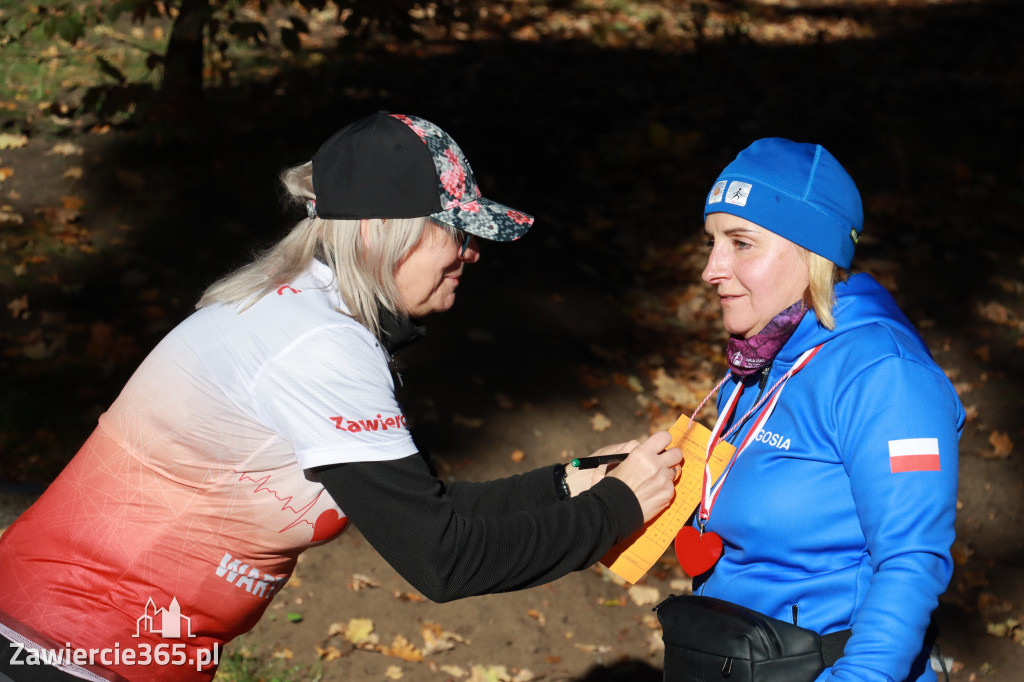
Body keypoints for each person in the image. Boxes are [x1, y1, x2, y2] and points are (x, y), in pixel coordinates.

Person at [0, 112, 683, 682]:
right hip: (71, 649)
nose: (472, 254)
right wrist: (620, 508)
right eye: (457, 231)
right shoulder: (320, 344)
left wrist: (575, 483)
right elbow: (440, 560)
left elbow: (419, 509)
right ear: (381, 231)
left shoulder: (307, 315)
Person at [679, 138, 963, 682]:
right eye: (712, 243)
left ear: (811, 251)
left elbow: (911, 564)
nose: (711, 270)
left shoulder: (886, 377)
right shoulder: (768, 355)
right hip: (731, 659)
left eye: (741, 243)